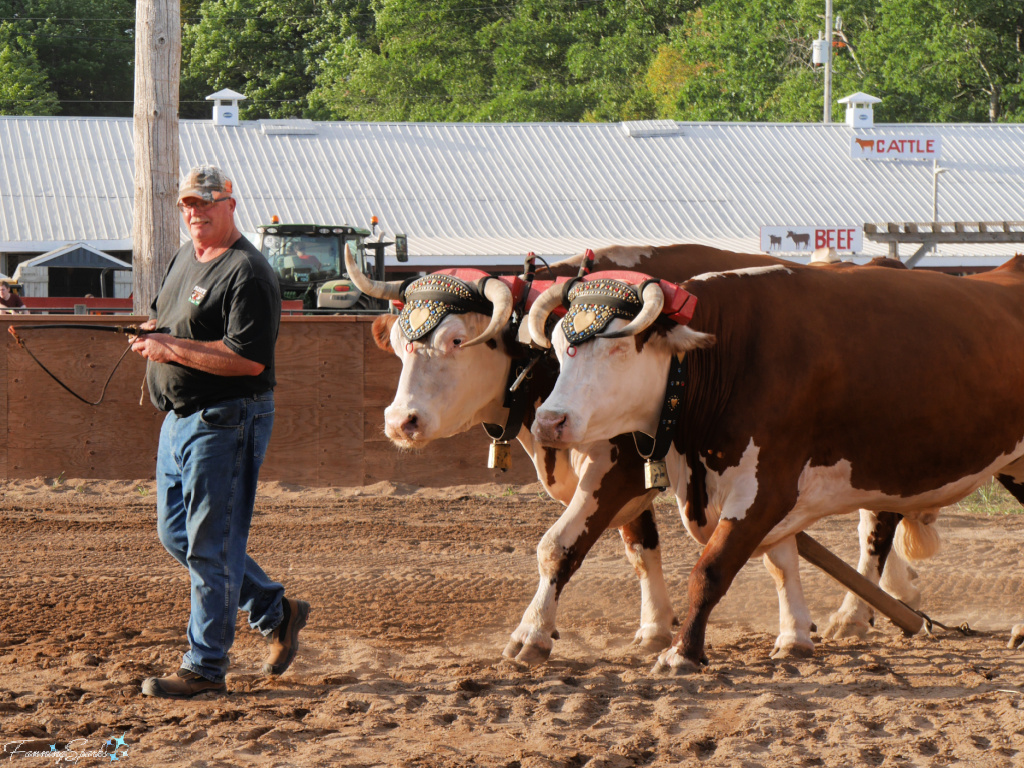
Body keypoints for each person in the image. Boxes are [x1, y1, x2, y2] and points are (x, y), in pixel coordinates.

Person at [131, 165, 309, 699]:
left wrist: (169, 349)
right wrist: (153, 336)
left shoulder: (249, 272)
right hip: (179, 418)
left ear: (231, 204)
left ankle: (205, 668)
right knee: (177, 534)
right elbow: (174, 323)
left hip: (227, 419)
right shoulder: (187, 254)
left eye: (207, 202)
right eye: (188, 203)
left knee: (212, 545)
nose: (195, 212)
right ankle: (277, 611)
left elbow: (248, 361)